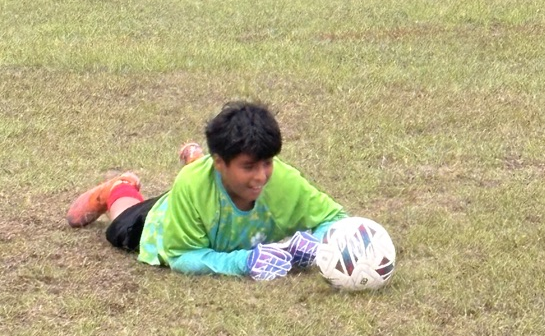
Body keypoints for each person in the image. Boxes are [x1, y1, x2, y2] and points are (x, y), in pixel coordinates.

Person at [65, 101, 346, 280]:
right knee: (122, 225)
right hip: (160, 221)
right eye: (248, 167)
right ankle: (118, 187)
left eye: (268, 163)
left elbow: (337, 220)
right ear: (220, 163)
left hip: (205, 188)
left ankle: (197, 160)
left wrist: (320, 243)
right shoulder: (190, 185)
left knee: (205, 184)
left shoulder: (283, 179)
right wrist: (245, 262)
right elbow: (182, 258)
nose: (261, 177)